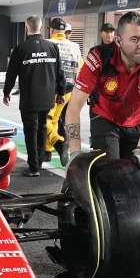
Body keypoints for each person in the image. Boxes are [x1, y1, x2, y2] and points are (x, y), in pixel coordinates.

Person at [62, 11, 140, 170]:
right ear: (119, 41)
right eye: (134, 39)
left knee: (134, 173)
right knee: (109, 172)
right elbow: (74, 107)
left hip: (137, 120)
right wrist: (75, 153)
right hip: (105, 118)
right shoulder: (98, 57)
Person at [3, 16, 65, 177]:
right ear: (41, 26)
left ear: (26, 27)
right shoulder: (52, 47)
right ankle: (40, 160)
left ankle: (33, 167)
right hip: (47, 97)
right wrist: (61, 92)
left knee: (31, 131)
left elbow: (11, 74)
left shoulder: (21, 48)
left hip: (30, 97)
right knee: (43, 128)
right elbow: (60, 72)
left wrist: (6, 92)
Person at [48, 17, 82, 166]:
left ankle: (58, 143)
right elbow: (80, 68)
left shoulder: (47, 44)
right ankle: (47, 151)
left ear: (51, 30)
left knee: (45, 120)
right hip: (69, 90)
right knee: (56, 120)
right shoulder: (75, 46)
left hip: (51, 89)